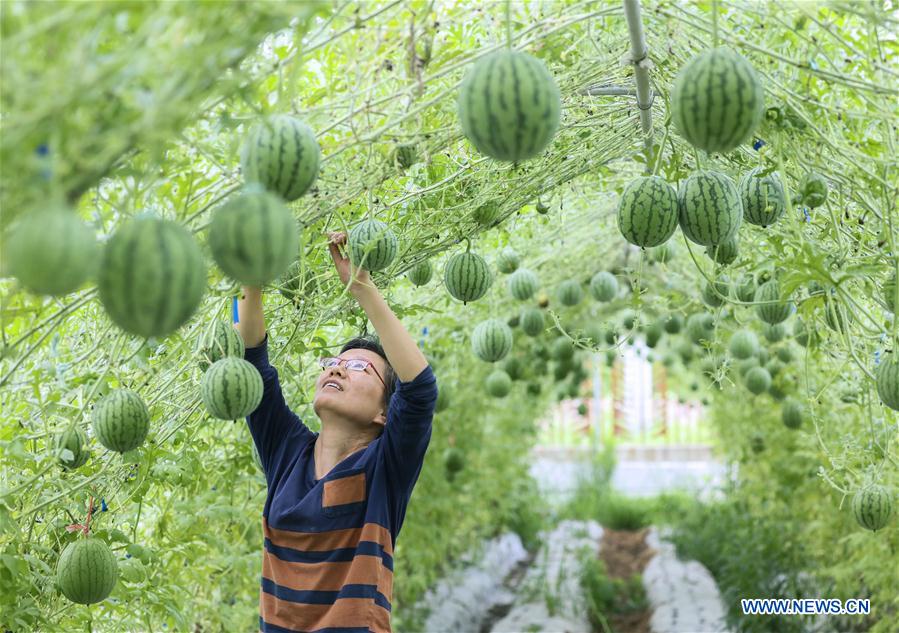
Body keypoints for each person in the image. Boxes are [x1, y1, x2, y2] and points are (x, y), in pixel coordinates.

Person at [234, 231, 438, 633]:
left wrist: (361, 287)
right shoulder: (286, 453)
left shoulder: (385, 470)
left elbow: (420, 391)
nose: (337, 368)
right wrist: (245, 278)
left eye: (360, 367)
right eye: (333, 361)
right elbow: (247, 361)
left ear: (384, 412)